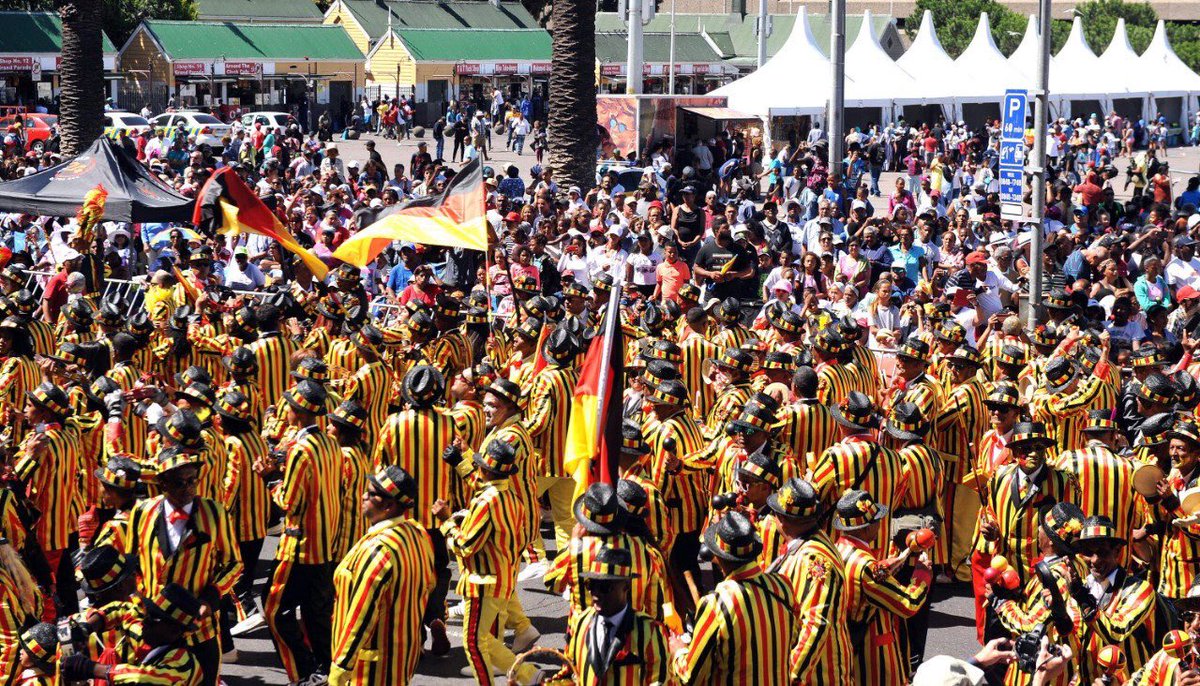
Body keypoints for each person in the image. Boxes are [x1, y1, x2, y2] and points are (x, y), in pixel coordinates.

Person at [329, 465, 435, 685]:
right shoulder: (418, 534)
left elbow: (362, 615)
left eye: (371, 493)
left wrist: (341, 666)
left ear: (388, 505)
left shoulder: (380, 550)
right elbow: (428, 586)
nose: (363, 496)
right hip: (403, 657)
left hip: (370, 669)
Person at [671, 510, 800, 684]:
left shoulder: (716, 603)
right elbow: (793, 638)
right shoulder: (782, 586)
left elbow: (691, 676)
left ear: (717, 557)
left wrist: (678, 651)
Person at [564, 545, 671, 684]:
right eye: (591, 585)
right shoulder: (581, 621)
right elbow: (570, 669)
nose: (595, 594)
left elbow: (660, 681)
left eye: (604, 587)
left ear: (626, 586)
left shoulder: (650, 631)